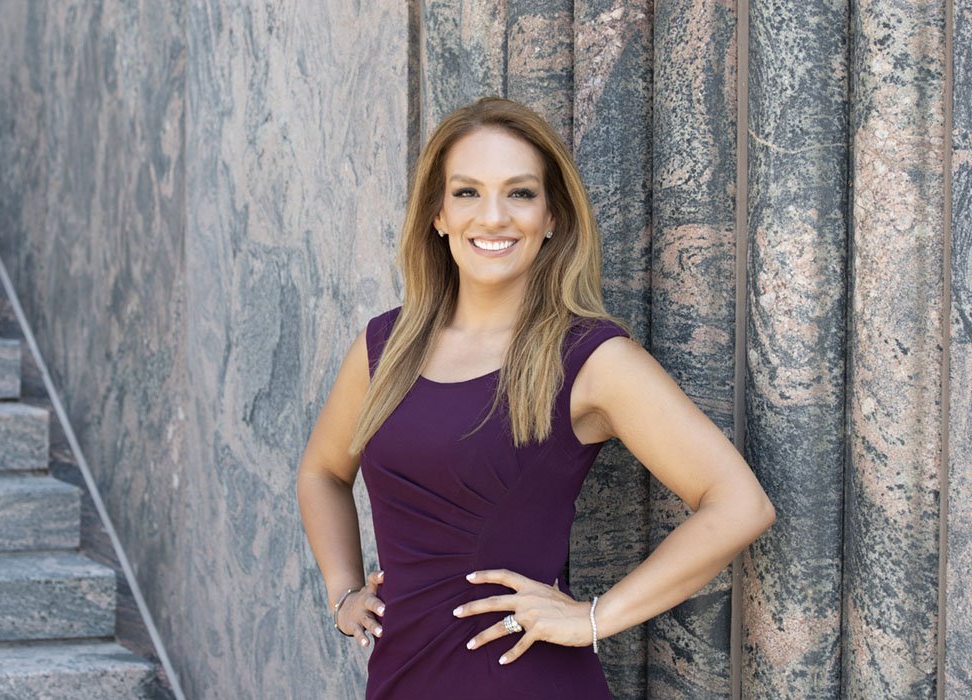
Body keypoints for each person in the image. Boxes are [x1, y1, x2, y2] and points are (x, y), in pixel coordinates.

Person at [295, 96, 776, 699]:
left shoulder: (590, 358)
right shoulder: (385, 346)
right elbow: (322, 472)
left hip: (526, 682)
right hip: (399, 678)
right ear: (437, 214)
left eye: (520, 193)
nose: (493, 216)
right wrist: (344, 591)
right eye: (467, 192)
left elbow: (739, 504)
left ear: (552, 217)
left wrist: (593, 617)